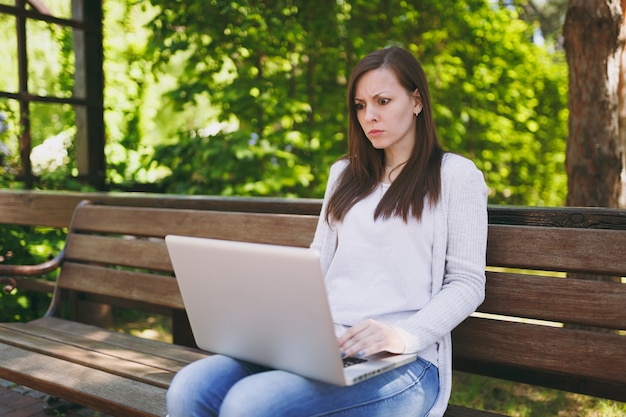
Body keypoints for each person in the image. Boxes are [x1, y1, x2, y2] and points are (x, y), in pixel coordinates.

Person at [166, 45, 487, 417]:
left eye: (383, 101)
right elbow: (318, 259)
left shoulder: (456, 177)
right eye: (361, 105)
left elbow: (466, 283)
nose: (370, 116)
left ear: (416, 101)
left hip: (405, 362)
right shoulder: (345, 175)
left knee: (250, 405)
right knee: (189, 389)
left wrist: (403, 336)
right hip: (322, 347)